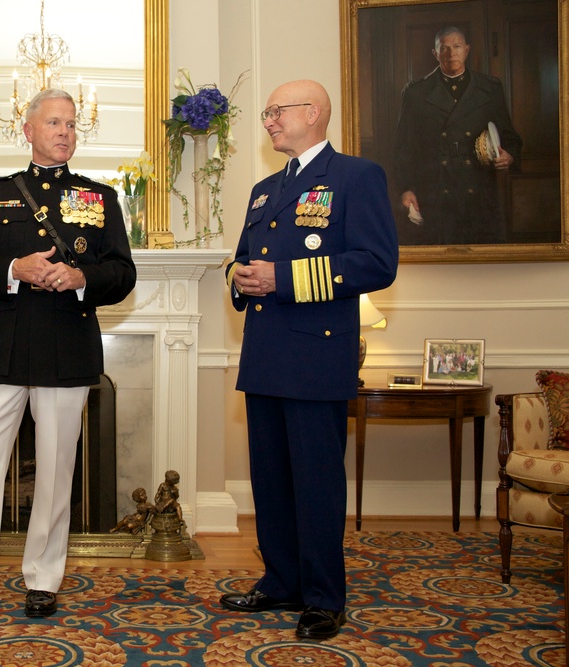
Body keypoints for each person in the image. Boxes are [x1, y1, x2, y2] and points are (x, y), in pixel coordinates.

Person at [0, 88, 136, 620]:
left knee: (57, 472)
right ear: (28, 130)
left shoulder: (100, 197)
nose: (64, 132)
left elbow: (123, 273)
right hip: (3, 350)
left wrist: (82, 276)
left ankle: (43, 578)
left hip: (68, 347)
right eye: (54, 122)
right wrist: (14, 269)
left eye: (72, 124)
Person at [223, 80, 398, 641]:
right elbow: (244, 262)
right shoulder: (263, 189)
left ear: (314, 113)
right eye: (268, 113)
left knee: (317, 482)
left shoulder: (356, 177)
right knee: (270, 479)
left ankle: (324, 596)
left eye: (278, 111)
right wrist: (239, 279)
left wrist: (286, 279)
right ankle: (281, 581)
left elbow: (376, 263)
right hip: (266, 353)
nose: (268, 121)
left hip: (317, 355)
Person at [394, 26, 522, 245]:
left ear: (467, 50)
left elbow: (509, 137)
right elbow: (404, 147)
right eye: (444, 48)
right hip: (434, 189)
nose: (451, 53)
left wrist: (508, 155)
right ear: (435, 53)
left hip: (478, 188)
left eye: (457, 47)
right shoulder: (416, 92)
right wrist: (406, 188)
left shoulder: (490, 88)